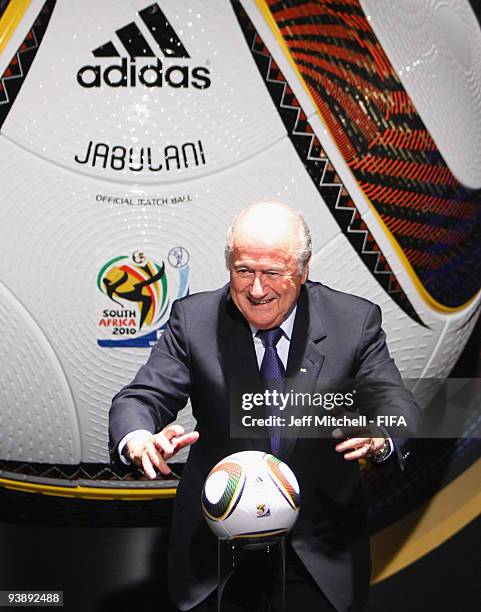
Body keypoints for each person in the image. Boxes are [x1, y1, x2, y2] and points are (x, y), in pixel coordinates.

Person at [109, 201, 419, 611]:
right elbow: (141, 397)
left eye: (273, 273)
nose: (257, 290)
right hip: (216, 557)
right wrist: (138, 439)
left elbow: (396, 404)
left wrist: (382, 438)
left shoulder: (353, 322)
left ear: (303, 269)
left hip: (318, 554)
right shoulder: (194, 320)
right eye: (243, 271)